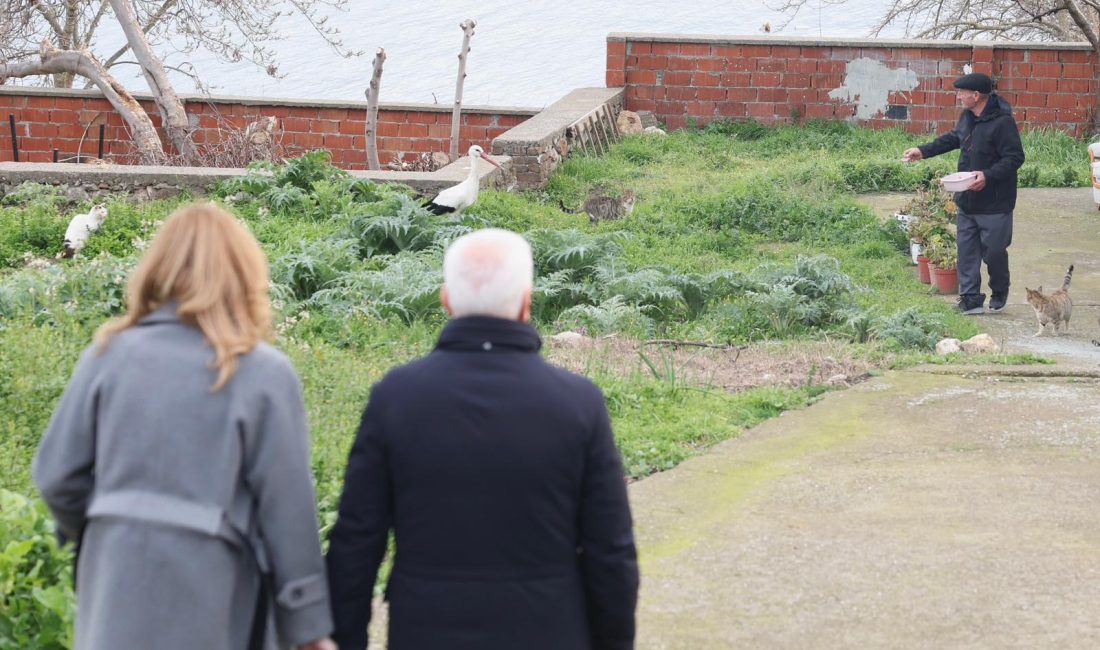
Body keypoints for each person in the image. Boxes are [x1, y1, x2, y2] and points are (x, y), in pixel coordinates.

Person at [33, 203, 336, 650]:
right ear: (243, 272)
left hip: (114, 583)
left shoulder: (107, 355)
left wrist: (110, 527)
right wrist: (309, 628)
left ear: (157, 268)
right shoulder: (261, 372)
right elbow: (287, 509)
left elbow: (57, 477)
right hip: (214, 586)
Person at [325, 228, 639, 650]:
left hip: (426, 631)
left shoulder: (397, 397)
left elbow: (356, 542)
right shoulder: (578, 404)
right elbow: (611, 551)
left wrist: (345, 640)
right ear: (527, 303)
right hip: (549, 630)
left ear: (447, 300)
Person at [903, 71, 1025, 315]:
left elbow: (1015, 157)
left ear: (976, 95)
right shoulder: (967, 117)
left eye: (961, 93)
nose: (958, 96)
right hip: (967, 198)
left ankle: (1000, 289)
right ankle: (970, 299)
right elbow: (953, 139)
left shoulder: (1002, 122)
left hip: (995, 203)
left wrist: (987, 175)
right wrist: (923, 151)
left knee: (994, 252)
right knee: (967, 252)